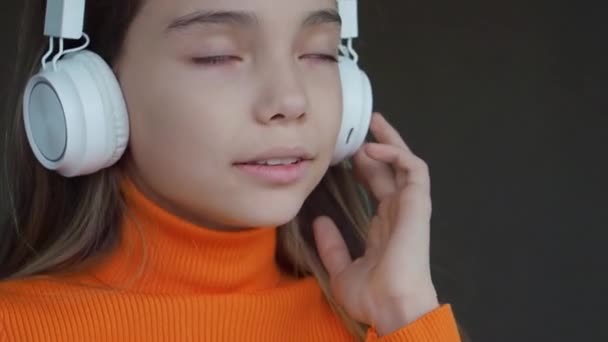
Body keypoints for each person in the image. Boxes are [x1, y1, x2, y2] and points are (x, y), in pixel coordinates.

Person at [0, 0, 463, 340]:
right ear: (93, 90)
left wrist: (405, 314)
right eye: (216, 55)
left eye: (320, 53)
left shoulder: (382, 325)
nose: (290, 101)